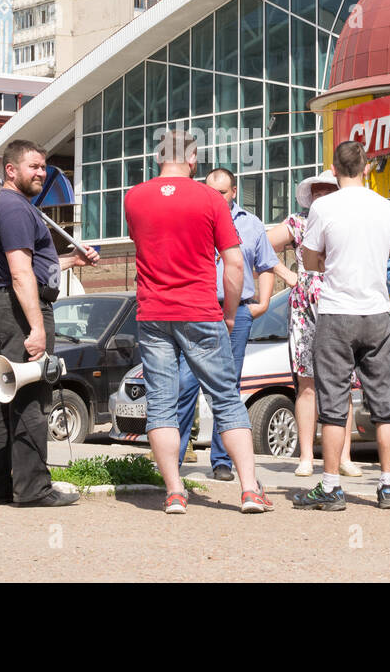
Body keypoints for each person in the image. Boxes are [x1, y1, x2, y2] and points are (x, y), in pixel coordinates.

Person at [125, 128, 272, 514]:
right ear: (193, 160)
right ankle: (249, 491)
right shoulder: (210, 199)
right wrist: (229, 314)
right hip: (201, 311)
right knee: (225, 398)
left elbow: (147, 246)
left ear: (158, 158)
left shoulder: (134, 198)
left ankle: (174, 492)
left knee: (161, 404)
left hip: (154, 312)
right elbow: (235, 263)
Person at [0, 140, 99, 507]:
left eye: (44, 167)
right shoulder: (15, 210)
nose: (41, 173)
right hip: (20, 309)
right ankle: (32, 489)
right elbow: (20, 274)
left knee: (6, 395)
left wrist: (70, 262)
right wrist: (37, 328)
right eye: (33, 166)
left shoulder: (12, 207)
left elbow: (32, 268)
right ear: (10, 170)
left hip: (10, 305)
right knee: (31, 395)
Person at [293, 141, 390, 511]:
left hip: (337, 311)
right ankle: (387, 486)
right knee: (384, 404)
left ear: (335, 170)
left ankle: (331, 485)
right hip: (376, 311)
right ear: (367, 168)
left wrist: (326, 259)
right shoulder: (387, 208)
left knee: (334, 404)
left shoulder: (323, 206)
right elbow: (386, 254)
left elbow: (309, 261)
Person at [177, 167, 279, 481]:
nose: (215, 197)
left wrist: (262, 303)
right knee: (184, 384)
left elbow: (267, 266)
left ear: (233, 192)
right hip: (199, 309)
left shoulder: (251, 224)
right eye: (210, 190)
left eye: (221, 192)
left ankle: (222, 461)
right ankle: (173, 459)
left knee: (227, 388)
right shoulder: (192, 218)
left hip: (239, 312)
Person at [268, 170, 362, 478]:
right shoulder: (298, 223)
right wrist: (289, 276)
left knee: (342, 384)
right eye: (317, 191)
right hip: (305, 308)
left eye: (329, 190)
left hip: (340, 304)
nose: (322, 195)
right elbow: (262, 245)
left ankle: (344, 456)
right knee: (306, 385)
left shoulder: (348, 220)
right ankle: (307, 456)